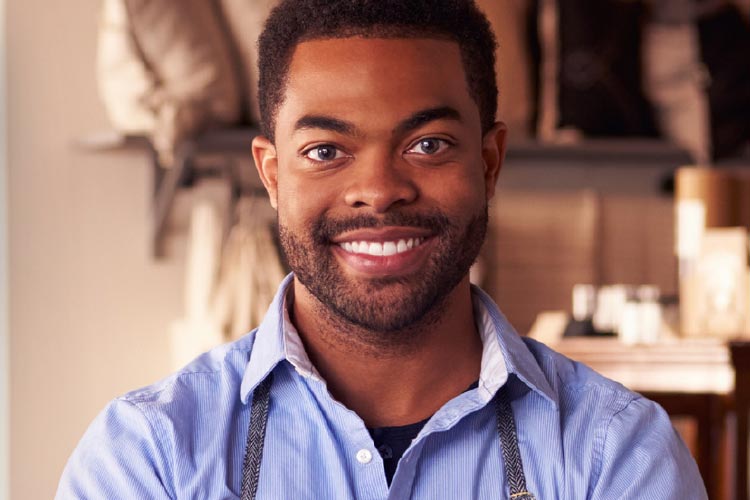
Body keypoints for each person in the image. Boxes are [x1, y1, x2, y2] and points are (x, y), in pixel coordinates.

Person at [57, 0, 707, 498]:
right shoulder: (150, 455)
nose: (378, 190)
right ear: (273, 174)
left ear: (488, 162)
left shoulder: (613, 453)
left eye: (427, 144)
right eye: (325, 151)